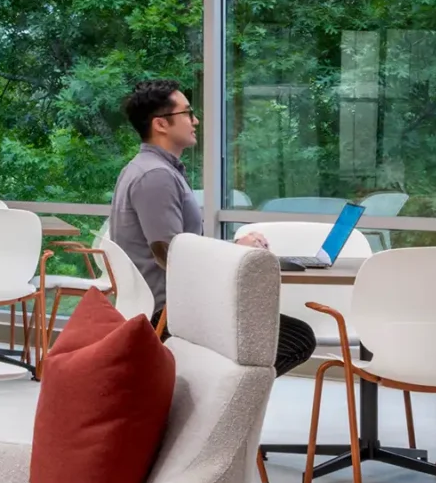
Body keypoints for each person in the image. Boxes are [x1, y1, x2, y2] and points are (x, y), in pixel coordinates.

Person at [110, 80, 316, 377]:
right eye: (187, 113)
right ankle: (213, 406)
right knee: (298, 339)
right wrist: (235, 253)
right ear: (161, 124)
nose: (195, 121)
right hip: (171, 314)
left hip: (177, 305)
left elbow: (185, 247)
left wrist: (234, 247)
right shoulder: (156, 176)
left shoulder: (153, 169)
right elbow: (172, 256)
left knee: (284, 337)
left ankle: (210, 401)